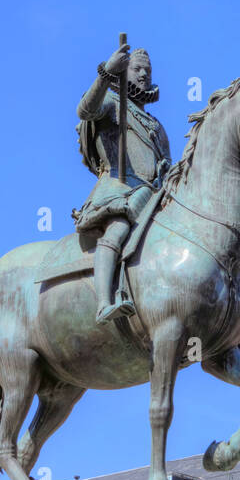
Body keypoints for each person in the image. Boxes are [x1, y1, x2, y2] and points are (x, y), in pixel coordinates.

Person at [73, 43, 171, 323]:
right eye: (137, 69)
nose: (144, 75)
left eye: (148, 71)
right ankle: (104, 302)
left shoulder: (156, 126)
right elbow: (85, 110)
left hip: (152, 197)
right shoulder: (111, 104)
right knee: (117, 230)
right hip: (119, 190)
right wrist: (106, 73)